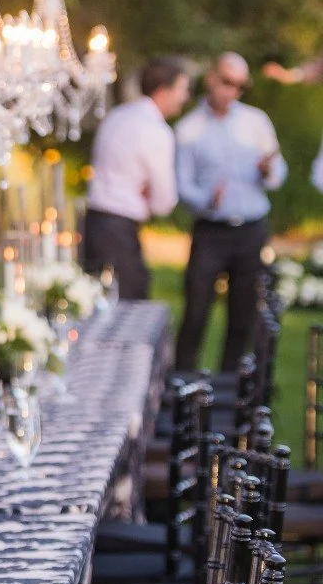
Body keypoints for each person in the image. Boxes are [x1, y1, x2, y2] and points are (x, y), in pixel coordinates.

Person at [175, 52, 287, 372]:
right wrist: (207, 200)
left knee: (242, 317)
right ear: (211, 78)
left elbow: (278, 174)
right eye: (227, 82)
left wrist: (268, 170)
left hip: (251, 230)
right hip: (211, 231)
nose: (232, 92)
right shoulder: (189, 129)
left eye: (240, 86)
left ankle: (230, 393)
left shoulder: (256, 121)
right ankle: (182, 386)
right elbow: (183, 187)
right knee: (196, 312)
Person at [83, 57, 190, 300]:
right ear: (163, 91)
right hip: (119, 230)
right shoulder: (155, 130)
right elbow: (164, 201)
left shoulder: (117, 116)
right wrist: (149, 195)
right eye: (182, 90)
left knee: (96, 301)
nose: (185, 97)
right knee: (128, 306)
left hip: (93, 223)